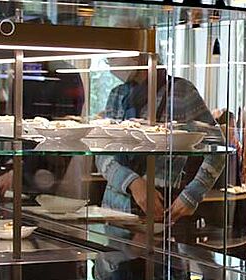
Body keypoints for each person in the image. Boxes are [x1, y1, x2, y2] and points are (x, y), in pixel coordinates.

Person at [95, 62, 225, 222]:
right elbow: (101, 154)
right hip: (115, 208)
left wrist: (192, 194)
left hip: (162, 208)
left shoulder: (181, 92)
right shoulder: (117, 95)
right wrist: (133, 183)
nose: (111, 61)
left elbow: (218, 146)